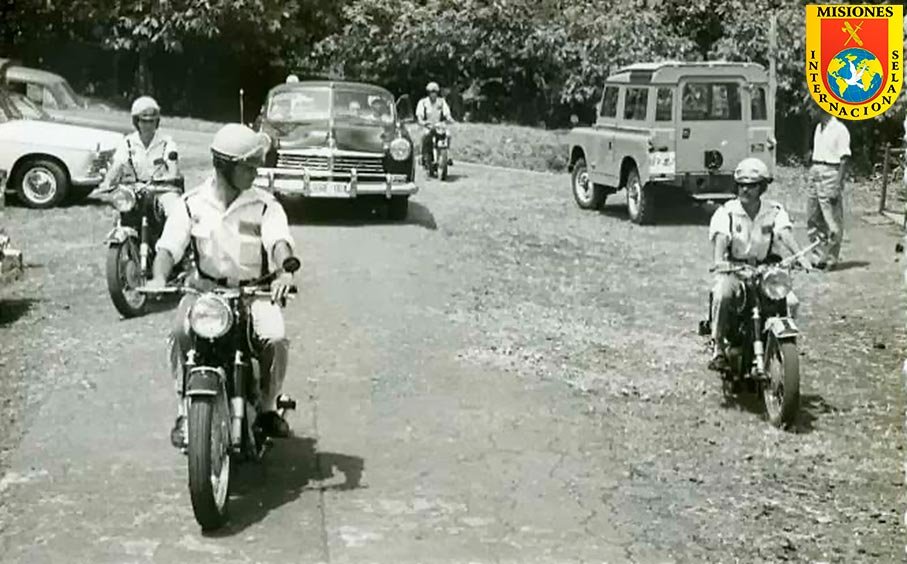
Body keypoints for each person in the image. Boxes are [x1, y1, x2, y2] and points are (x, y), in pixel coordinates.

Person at [147, 123, 297, 448]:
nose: (255, 173)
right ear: (225, 166)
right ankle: (185, 412)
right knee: (180, 332)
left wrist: (285, 272)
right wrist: (159, 277)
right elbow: (168, 248)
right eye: (248, 166)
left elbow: (278, 242)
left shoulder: (265, 205)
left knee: (275, 337)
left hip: (254, 292)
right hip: (206, 292)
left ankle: (268, 407)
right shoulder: (192, 204)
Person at [707, 157, 813, 371]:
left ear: (762, 187)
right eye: (741, 185)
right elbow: (720, 242)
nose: (745, 190)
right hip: (735, 270)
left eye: (752, 185)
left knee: (791, 301)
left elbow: (784, 233)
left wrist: (800, 256)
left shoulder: (774, 211)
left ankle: (781, 344)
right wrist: (720, 263)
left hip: (766, 270)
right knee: (722, 295)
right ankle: (718, 346)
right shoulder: (726, 212)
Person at [100, 96, 182, 215]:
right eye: (144, 121)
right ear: (136, 122)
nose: (148, 125)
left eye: (152, 121)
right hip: (134, 190)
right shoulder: (128, 143)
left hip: (161, 190)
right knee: (119, 211)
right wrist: (107, 181)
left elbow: (173, 168)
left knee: (173, 209)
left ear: (157, 122)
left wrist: (171, 176)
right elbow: (117, 165)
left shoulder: (167, 143)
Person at [806, 110, 851, 270]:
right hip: (815, 170)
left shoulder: (840, 129)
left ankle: (831, 258)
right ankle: (818, 256)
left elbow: (844, 159)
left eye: (815, 108)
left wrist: (838, 185)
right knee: (813, 216)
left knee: (832, 219)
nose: (812, 112)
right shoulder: (818, 128)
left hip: (831, 172)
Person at [415, 81, 453, 169]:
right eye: (431, 92)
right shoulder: (423, 102)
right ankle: (422, 155)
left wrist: (449, 118)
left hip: (439, 125)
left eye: (435, 92)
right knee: (424, 136)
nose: (433, 94)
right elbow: (419, 116)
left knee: (448, 135)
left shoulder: (441, 102)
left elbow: (447, 113)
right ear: (428, 93)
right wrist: (422, 122)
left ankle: (447, 155)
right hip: (428, 125)